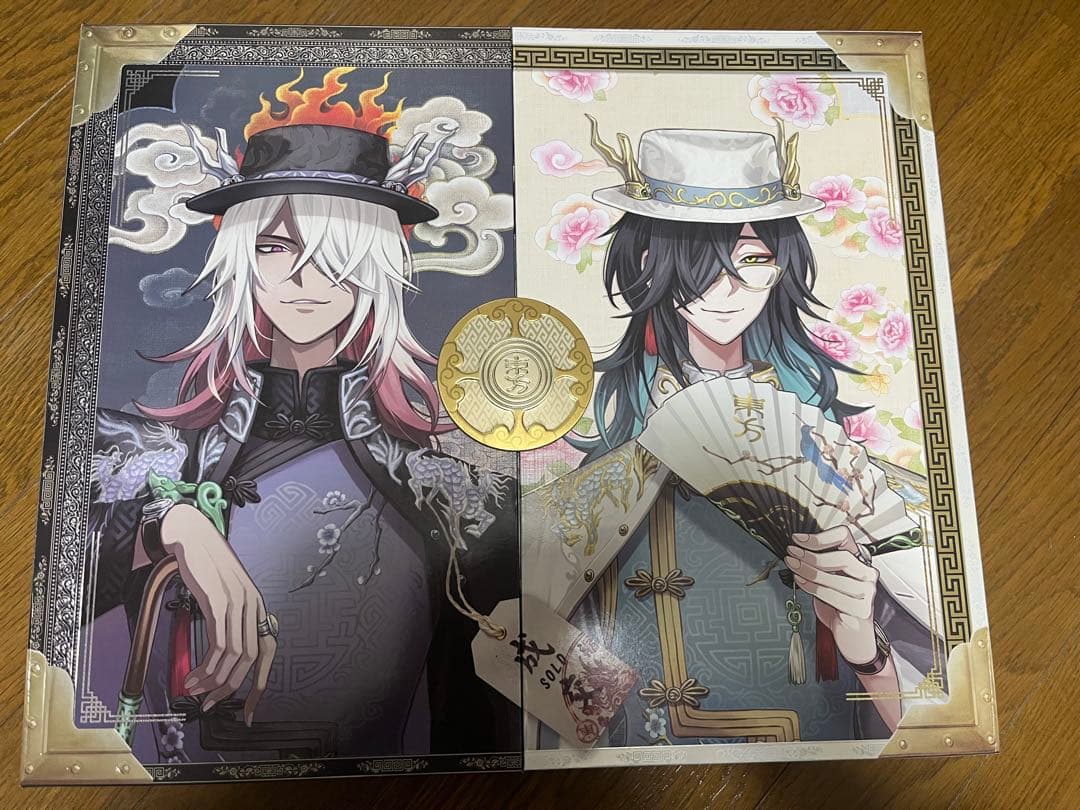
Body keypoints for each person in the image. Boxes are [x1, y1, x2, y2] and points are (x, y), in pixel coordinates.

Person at [88, 92, 518, 762]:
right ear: (242, 258)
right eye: (274, 246)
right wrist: (173, 523)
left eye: (334, 252)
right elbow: (68, 551)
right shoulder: (168, 454)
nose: (303, 277)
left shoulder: (436, 478)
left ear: (374, 263)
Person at [527, 122, 936, 747]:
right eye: (698, 262)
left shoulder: (830, 456)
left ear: (782, 266)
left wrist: (864, 645)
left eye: (752, 260)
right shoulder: (601, 455)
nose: (726, 288)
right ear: (649, 263)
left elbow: (934, 723)